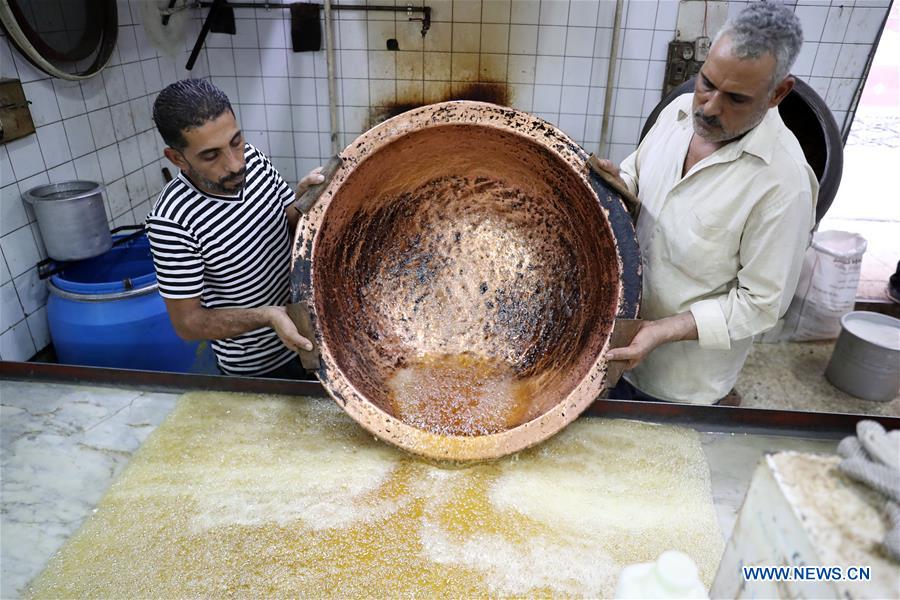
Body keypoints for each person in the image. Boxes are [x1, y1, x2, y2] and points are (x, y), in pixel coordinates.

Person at [601, 2, 818, 405]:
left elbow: (760, 304)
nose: (710, 107)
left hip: (680, 381)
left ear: (778, 93)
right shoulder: (679, 113)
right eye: (707, 83)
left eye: (736, 99)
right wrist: (617, 185)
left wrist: (663, 330)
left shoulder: (783, 186)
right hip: (617, 330)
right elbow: (638, 174)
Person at [145, 79, 324, 378]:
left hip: (312, 333)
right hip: (258, 368)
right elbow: (187, 324)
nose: (235, 164)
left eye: (236, 141)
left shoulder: (253, 159)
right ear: (177, 158)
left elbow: (285, 221)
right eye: (211, 155)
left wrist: (302, 201)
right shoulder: (171, 222)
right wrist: (268, 316)